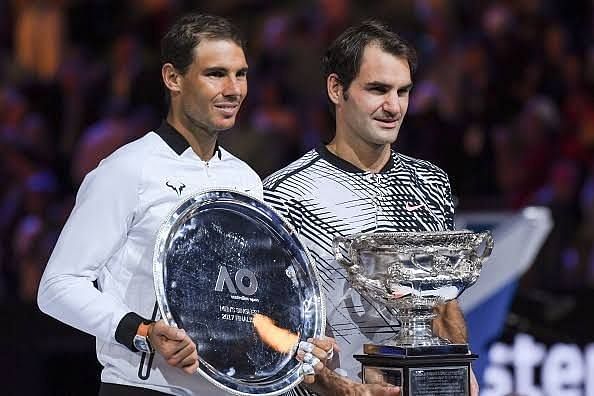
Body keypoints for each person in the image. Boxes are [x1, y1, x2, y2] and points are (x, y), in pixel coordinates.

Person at [37, 13, 263, 395]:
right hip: (144, 387)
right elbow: (58, 286)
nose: (234, 89)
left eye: (240, 74)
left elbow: (246, 296)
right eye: (215, 74)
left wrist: (292, 345)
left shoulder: (247, 180)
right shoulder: (127, 169)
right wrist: (141, 332)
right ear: (173, 78)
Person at [264, 20, 479, 396]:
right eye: (378, 89)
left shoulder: (432, 182)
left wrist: (462, 365)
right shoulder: (284, 194)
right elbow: (264, 323)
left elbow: (443, 300)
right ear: (336, 88)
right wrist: (334, 385)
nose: (393, 106)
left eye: (403, 91)